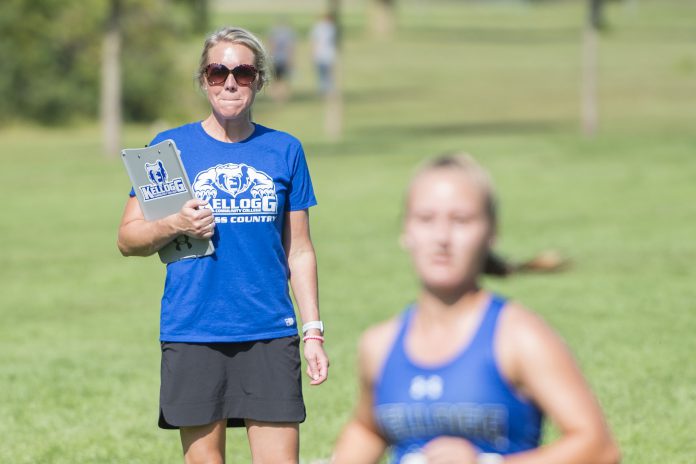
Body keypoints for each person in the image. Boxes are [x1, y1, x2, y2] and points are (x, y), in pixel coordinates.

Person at [117, 26, 329, 464]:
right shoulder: (167, 149)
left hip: (269, 330)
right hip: (193, 329)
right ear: (203, 79)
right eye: (218, 72)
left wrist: (312, 332)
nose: (230, 82)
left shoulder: (284, 150)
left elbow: (300, 250)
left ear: (260, 81)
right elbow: (128, 239)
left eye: (243, 73)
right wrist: (175, 222)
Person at [332, 154, 619, 464]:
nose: (442, 237)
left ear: (491, 232)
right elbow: (368, 428)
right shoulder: (379, 345)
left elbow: (599, 448)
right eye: (426, 219)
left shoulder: (519, 336)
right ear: (406, 230)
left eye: (461, 220)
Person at [268, 16, 296, 102]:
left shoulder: (274, 32)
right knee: (284, 79)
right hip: (284, 59)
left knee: (276, 79)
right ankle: (282, 97)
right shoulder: (289, 33)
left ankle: (275, 97)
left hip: (275, 59)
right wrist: (291, 59)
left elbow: (271, 45)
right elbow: (290, 47)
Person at [310, 13, 338, 96]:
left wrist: (313, 54)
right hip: (325, 55)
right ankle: (326, 91)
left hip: (325, 55)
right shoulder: (331, 28)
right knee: (325, 74)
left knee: (324, 74)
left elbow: (314, 42)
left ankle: (326, 91)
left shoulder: (321, 27)